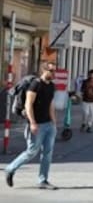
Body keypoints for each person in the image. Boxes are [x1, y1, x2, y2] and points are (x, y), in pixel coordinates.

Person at [4, 62, 58, 190]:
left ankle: (43, 180)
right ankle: (10, 168)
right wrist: (32, 123)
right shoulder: (35, 85)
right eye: (51, 70)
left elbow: (50, 104)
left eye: (55, 70)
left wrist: (54, 122)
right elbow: (28, 105)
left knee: (47, 153)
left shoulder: (51, 86)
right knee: (32, 151)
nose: (54, 73)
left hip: (49, 124)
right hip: (37, 125)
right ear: (44, 70)